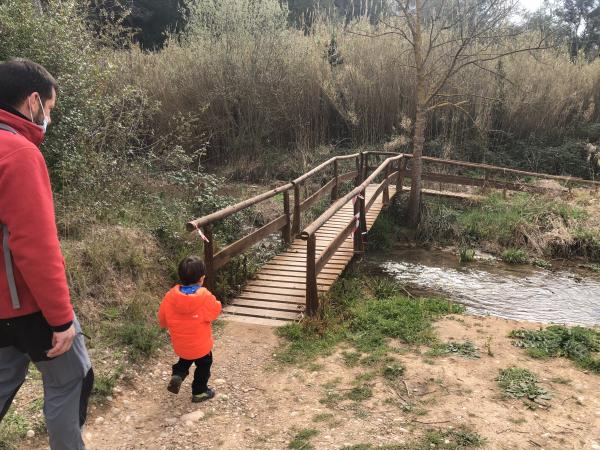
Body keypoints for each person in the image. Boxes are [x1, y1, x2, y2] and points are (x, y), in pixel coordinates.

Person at [0, 58, 93, 450]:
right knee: (73, 377)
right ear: (33, 101)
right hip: (28, 306)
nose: (47, 119)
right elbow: (36, 245)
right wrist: (60, 318)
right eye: (49, 110)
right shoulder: (18, 153)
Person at [158, 256, 222, 402]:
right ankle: (199, 392)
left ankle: (178, 374)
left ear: (180, 276)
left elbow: (162, 319)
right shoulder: (204, 296)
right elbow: (215, 311)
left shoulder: (170, 297)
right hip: (201, 345)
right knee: (204, 365)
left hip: (181, 344)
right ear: (202, 278)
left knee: (185, 359)